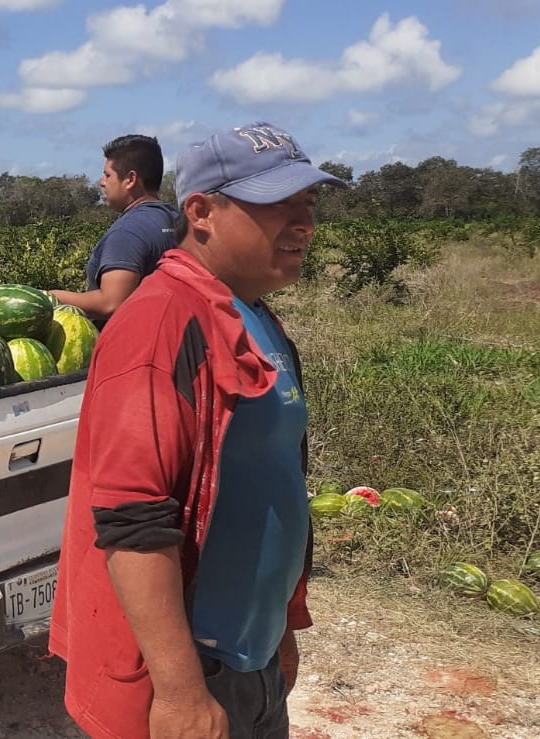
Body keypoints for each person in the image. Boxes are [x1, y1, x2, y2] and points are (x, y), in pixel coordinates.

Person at [48, 121, 345, 739]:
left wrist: (283, 629)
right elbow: (133, 521)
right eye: (277, 205)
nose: (304, 224)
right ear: (202, 212)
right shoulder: (158, 325)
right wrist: (181, 693)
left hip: (250, 660)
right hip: (186, 676)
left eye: (308, 204)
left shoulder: (255, 317)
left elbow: (274, 484)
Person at [50, 134, 179, 326]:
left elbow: (111, 303)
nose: (102, 182)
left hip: (133, 349)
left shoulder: (127, 232)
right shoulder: (176, 219)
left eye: (108, 175)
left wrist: (49, 297)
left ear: (130, 179)